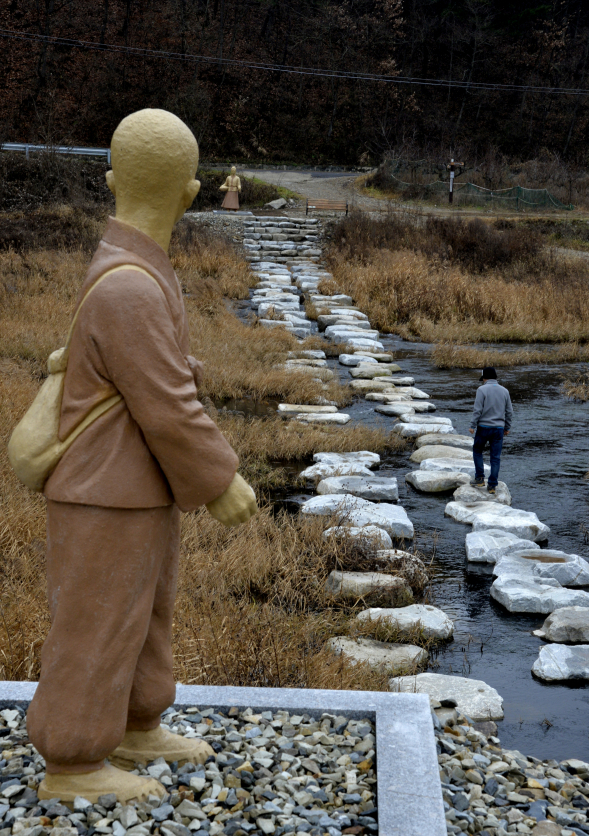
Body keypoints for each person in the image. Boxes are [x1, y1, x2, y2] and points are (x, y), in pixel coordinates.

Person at [25, 109, 258, 804]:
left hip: (137, 485)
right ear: (190, 193)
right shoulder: (130, 283)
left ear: (109, 182)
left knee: (143, 612)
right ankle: (71, 758)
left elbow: (154, 381)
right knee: (96, 619)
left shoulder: (138, 273)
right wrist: (221, 480)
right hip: (104, 488)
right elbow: (165, 404)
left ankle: (135, 720)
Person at [469, 367, 513, 494]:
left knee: (477, 451)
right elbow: (509, 412)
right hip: (498, 429)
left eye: (482, 378)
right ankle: (492, 485)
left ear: (485, 378)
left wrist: (472, 425)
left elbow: (477, 410)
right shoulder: (505, 391)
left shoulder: (481, 390)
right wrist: (507, 427)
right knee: (495, 457)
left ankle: (480, 478)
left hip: (483, 428)